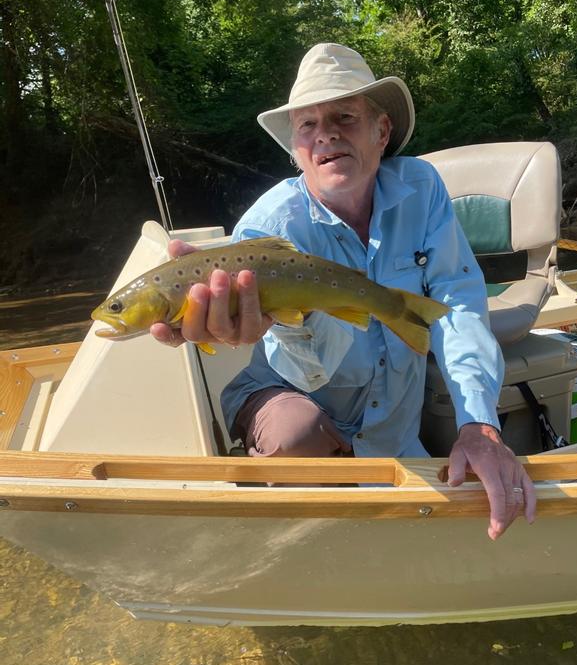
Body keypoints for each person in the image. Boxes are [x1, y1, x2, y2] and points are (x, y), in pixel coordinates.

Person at [151, 42, 536, 539]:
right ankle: (300, 499)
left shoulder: (423, 188)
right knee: (297, 434)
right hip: (292, 395)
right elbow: (305, 373)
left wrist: (480, 425)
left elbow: (457, 303)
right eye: (308, 125)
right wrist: (298, 316)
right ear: (296, 150)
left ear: (382, 131)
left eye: (345, 116)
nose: (326, 134)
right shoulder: (266, 228)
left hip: (394, 435)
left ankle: (371, 488)